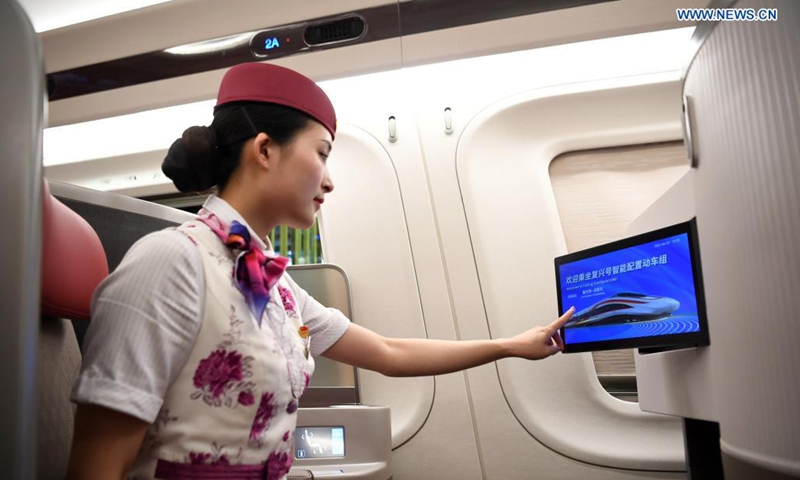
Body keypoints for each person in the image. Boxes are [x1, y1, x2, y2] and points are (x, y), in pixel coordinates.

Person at [66, 62, 574, 480]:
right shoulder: (170, 261)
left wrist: (509, 346)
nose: (329, 182)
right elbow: (97, 465)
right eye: (322, 154)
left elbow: (388, 353)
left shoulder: (278, 287)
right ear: (265, 149)